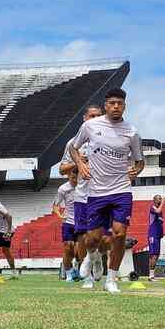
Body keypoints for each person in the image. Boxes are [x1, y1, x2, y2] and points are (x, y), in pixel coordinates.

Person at [70, 88, 144, 293]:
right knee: (92, 239)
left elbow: (139, 162)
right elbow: (73, 148)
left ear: (124, 106)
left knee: (119, 235)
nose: (116, 107)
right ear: (106, 105)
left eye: (119, 103)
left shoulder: (132, 132)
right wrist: (81, 165)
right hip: (96, 192)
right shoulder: (90, 126)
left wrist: (135, 171)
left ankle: (111, 279)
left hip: (121, 190)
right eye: (112, 103)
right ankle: (91, 257)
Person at [59, 104, 103, 288]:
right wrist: (78, 161)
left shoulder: (108, 140)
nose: (95, 119)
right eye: (91, 116)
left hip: (103, 194)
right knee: (85, 237)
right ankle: (88, 278)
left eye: (98, 116)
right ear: (84, 118)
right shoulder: (73, 143)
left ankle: (97, 259)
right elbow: (62, 169)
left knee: (102, 238)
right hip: (82, 197)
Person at [53, 169, 78, 281]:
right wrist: (59, 214)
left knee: (78, 250)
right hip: (68, 221)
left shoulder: (85, 186)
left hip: (82, 222)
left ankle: (77, 268)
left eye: (77, 178)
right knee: (68, 247)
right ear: (68, 176)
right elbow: (55, 205)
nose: (75, 180)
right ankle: (68, 274)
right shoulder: (63, 189)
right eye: (73, 178)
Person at [147, 194, 165, 281]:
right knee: (153, 255)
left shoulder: (160, 212)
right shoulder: (153, 208)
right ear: (154, 200)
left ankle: (151, 275)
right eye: (158, 199)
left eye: (161, 199)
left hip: (158, 236)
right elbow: (157, 211)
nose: (160, 200)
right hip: (153, 235)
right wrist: (163, 203)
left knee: (156, 255)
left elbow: (160, 223)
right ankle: (151, 276)